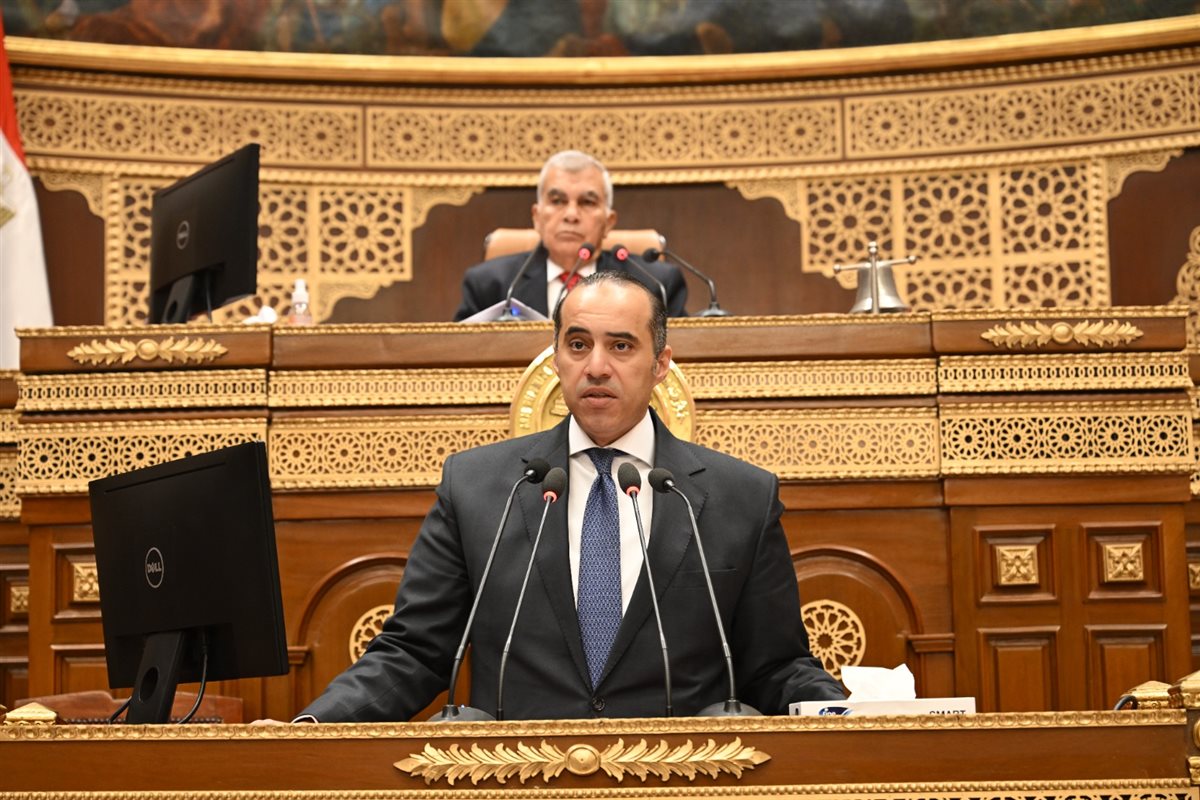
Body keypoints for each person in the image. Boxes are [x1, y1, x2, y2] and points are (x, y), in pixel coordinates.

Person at [298, 271, 843, 722]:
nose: (596, 366)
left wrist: (852, 718)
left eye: (621, 346)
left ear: (661, 365)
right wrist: (311, 727)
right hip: (515, 782)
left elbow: (775, 666)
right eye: (578, 345)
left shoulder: (740, 496)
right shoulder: (477, 486)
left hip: (678, 781)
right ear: (555, 359)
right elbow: (413, 652)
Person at [453, 150, 688, 321]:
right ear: (537, 217)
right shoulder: (491, 285)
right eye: (557, 201)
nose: (571, 215)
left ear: (608, 222)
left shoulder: (655, 285)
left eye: (587, 202)